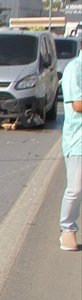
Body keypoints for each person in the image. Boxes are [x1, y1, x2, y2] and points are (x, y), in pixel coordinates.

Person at [60, 51, 82, 251]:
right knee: (76, 188)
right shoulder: (74, 69)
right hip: (78, 140)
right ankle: (68, 229)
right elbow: (78, 105)